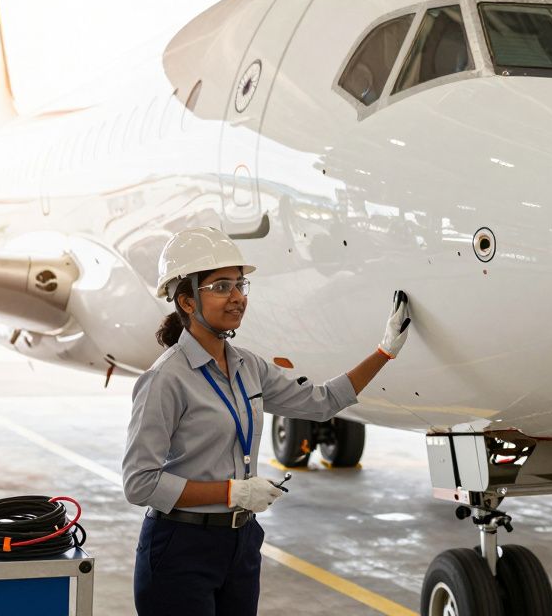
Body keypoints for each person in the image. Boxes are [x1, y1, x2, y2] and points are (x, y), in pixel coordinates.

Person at [123, 226, 412, 616]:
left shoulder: (248, 367)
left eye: (241, 284)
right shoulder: (165, 379)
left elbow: (322, 403)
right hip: (180, 547)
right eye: (222, 286)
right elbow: (140, 483)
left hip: (240, 544)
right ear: (187, 301)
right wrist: (231, 493)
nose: (238, 297)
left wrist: (385, 351)